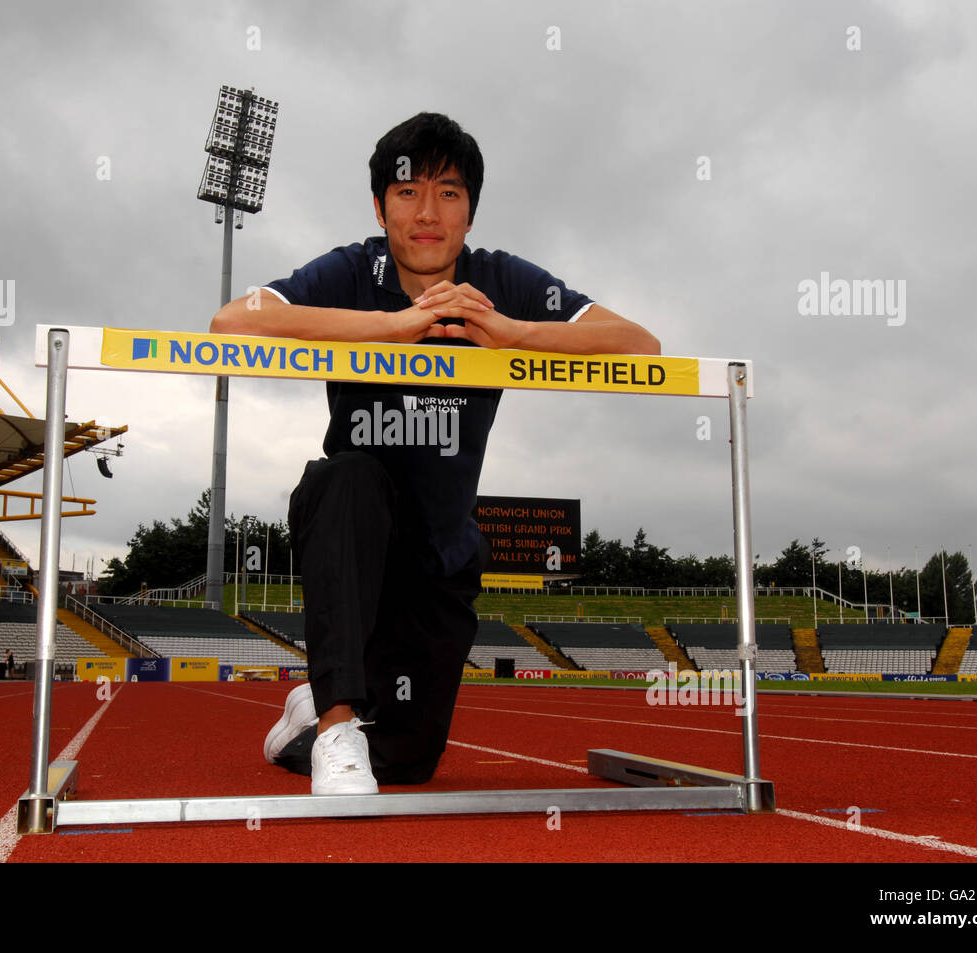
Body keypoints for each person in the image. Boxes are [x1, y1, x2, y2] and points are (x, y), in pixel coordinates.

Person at [211, 112, 659, 795]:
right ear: (379, 206)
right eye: (407, 192)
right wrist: (392, 327)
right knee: (348, 477)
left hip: (439, 563)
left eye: (448, 192)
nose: (427, 212)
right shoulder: (353, 271)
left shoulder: (500, 281)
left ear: (470, 212)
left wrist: (510, 333)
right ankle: (335, 722)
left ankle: (305, 715)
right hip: (355, 545)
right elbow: (232, 322)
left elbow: (640, 344)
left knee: (407, 763)